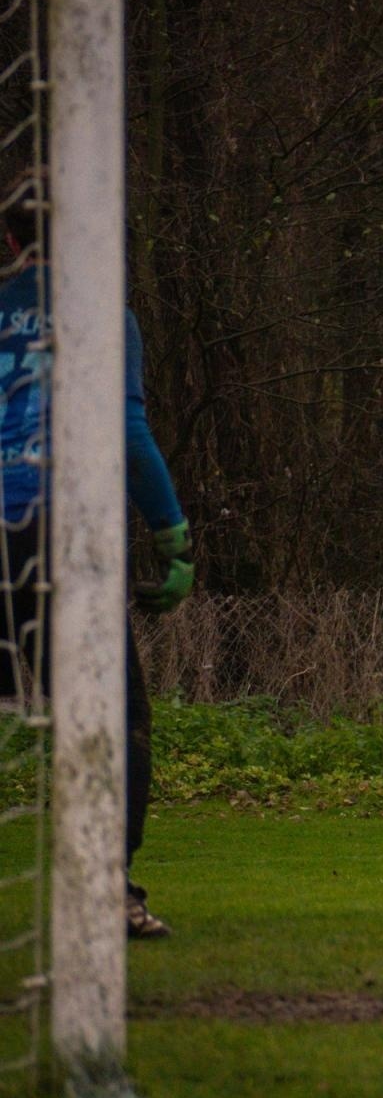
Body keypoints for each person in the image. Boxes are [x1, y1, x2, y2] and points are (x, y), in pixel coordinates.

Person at [0, 170, 195, 936]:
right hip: (61, 538)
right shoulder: (101, 315)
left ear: (9, 239)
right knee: (115, 716)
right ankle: (110, 889)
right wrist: (171, 534)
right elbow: (128, 432)